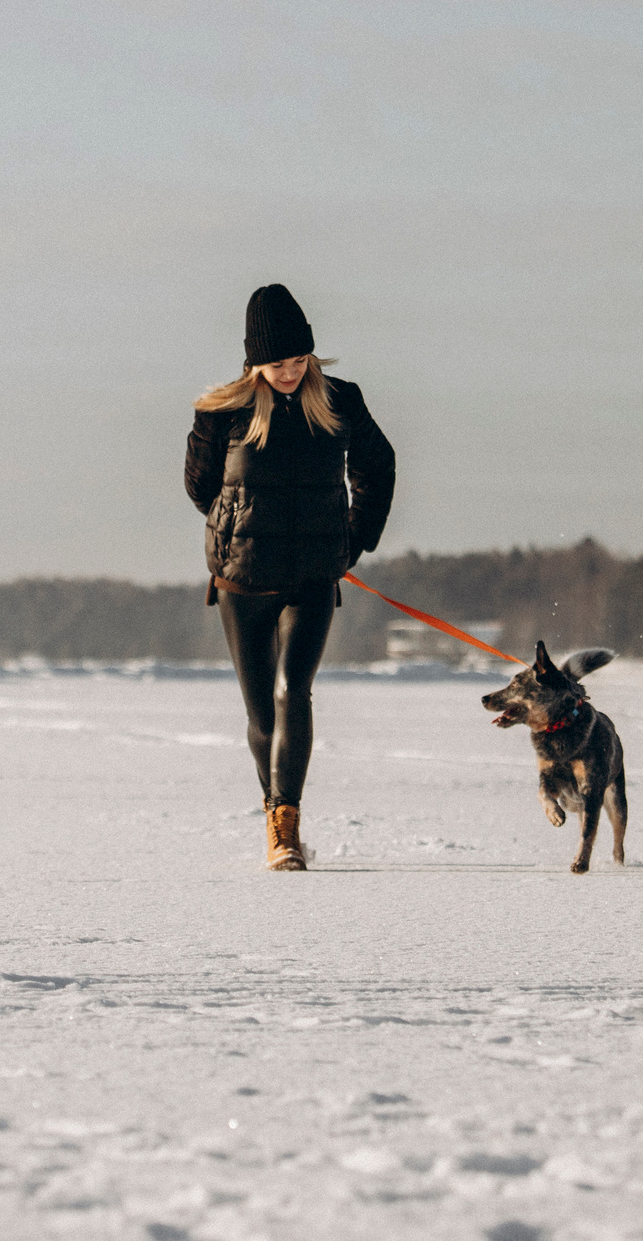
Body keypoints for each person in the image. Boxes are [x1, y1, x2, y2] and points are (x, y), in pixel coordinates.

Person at [184, 285, 396, 870]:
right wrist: (237, 521)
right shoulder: (221, 410)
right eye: (279, 363)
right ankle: (273, 805)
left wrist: (354, 540)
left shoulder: (339, 400)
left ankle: (285, 825)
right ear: (255, 361)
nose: (291, 372)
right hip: (241, 580)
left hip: (312, 577)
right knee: (260, 714)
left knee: (291, 692)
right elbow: (200, 488)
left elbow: (377, 467)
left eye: (300, 360)